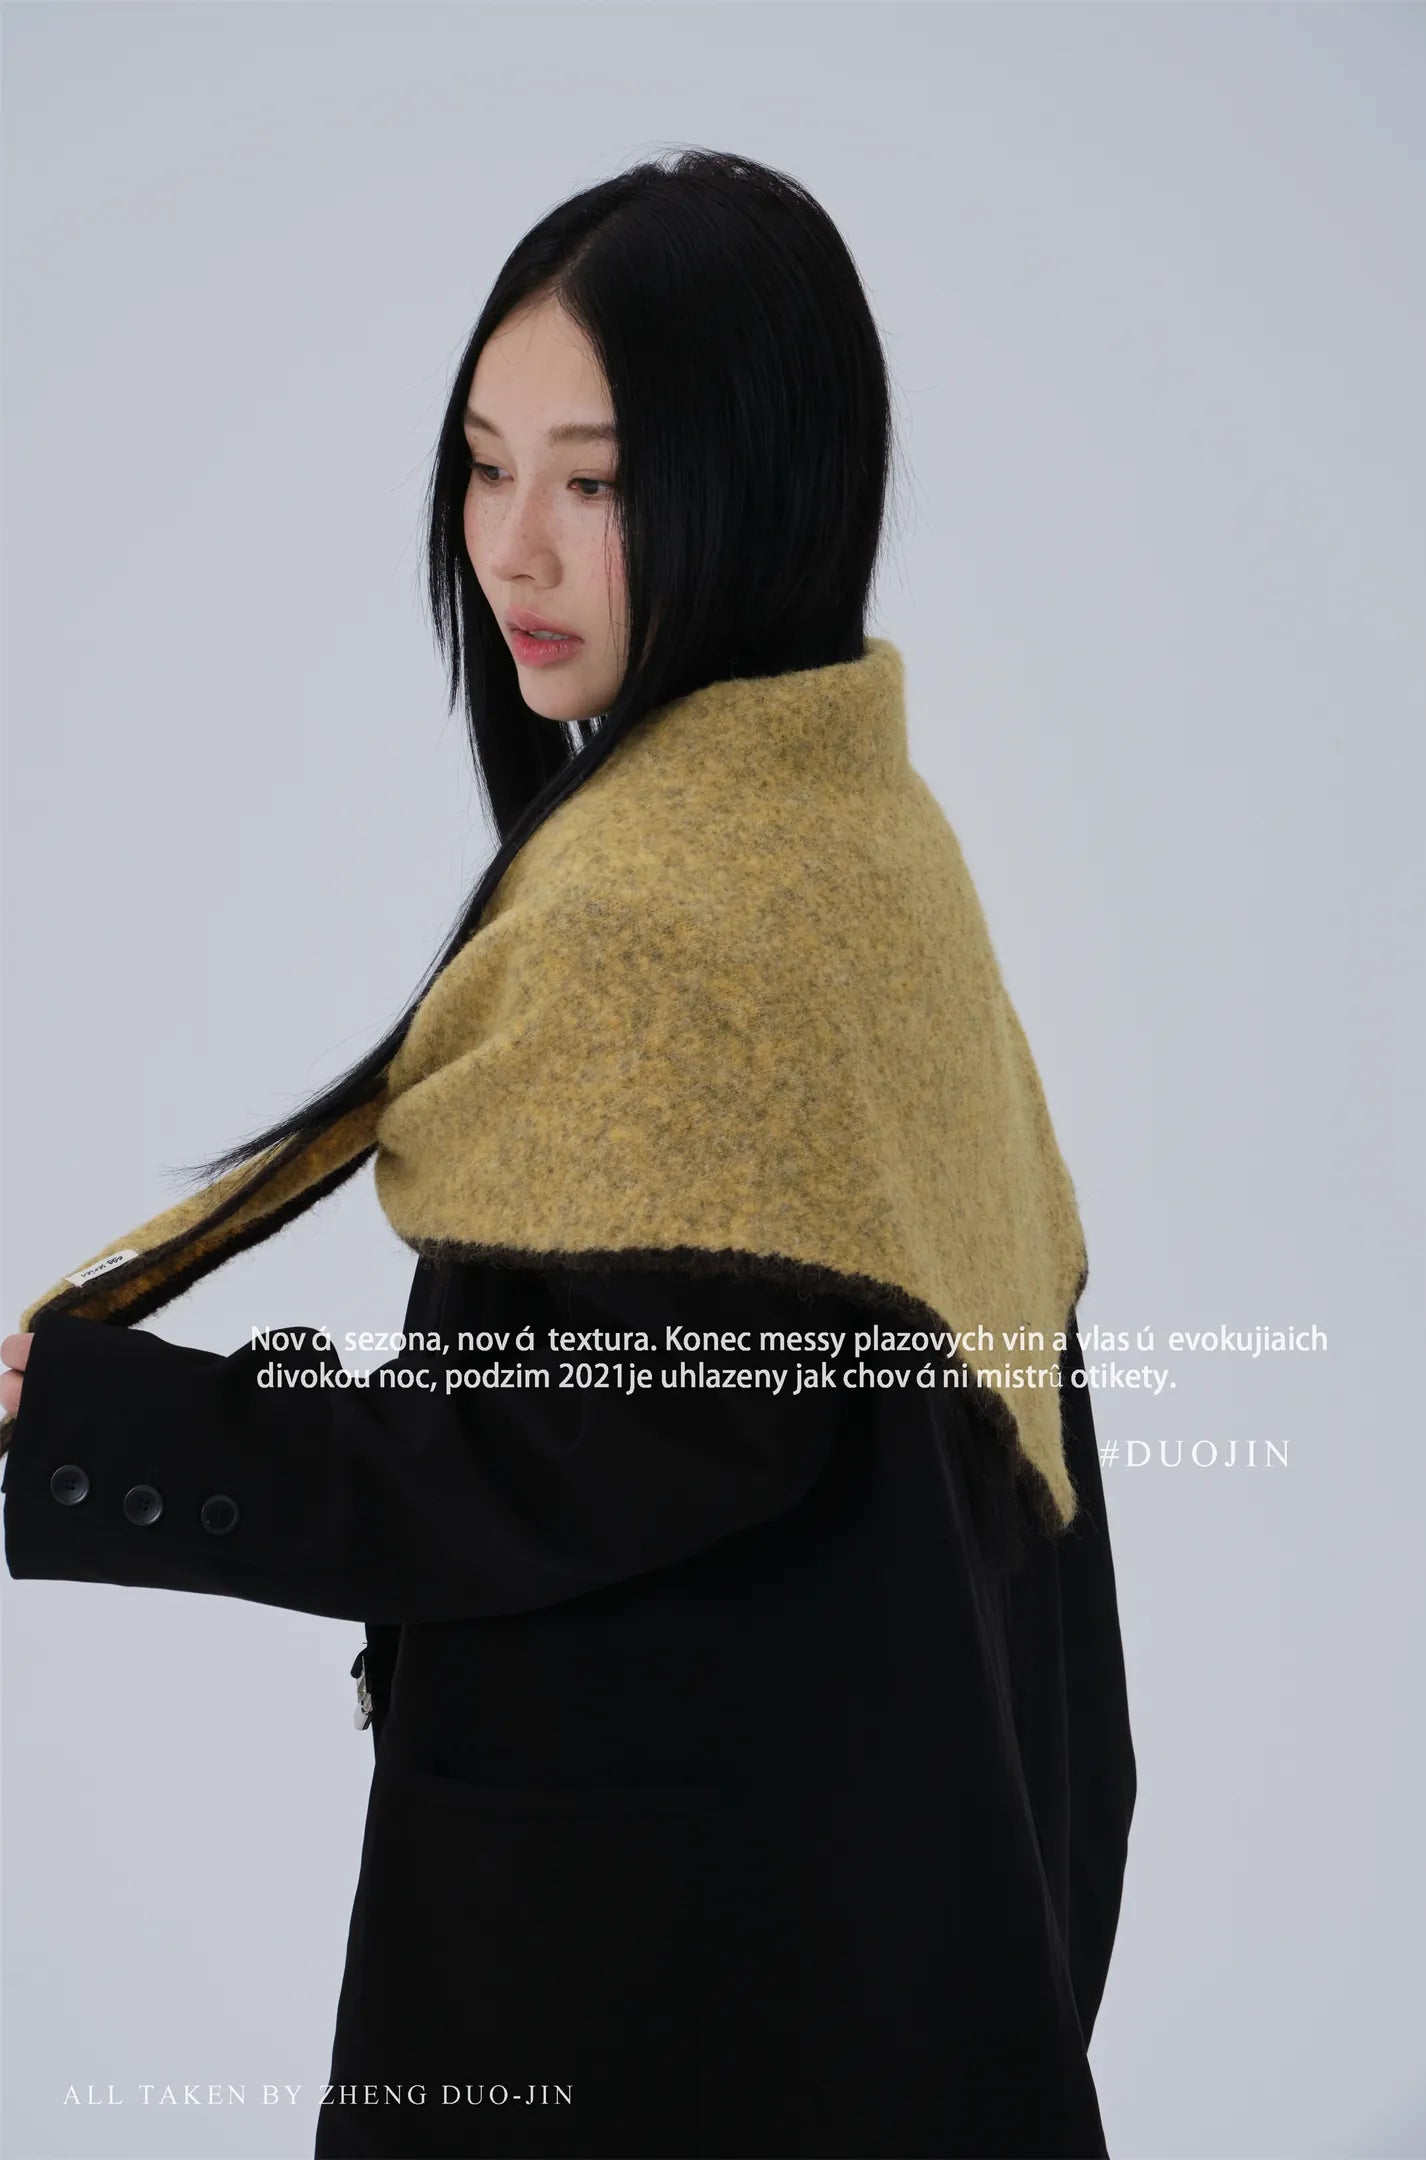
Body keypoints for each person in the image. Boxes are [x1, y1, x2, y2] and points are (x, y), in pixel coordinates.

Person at [1, 148, 1137, 2160]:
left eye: (596, 485)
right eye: (482, 465)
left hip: (662, 2012)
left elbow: (577, 1449)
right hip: (894, 1964)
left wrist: (121, 1429)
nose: (512, 552)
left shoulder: (667, 909)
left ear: (766, 482)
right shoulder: (867, 838)